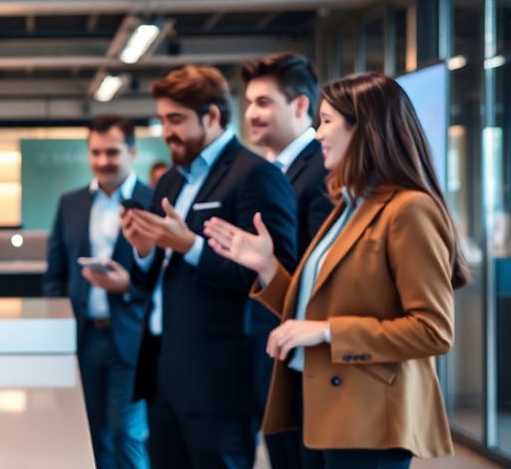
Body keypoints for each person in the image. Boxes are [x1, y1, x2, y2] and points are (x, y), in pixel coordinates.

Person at [203, 73, 467, 469]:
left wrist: (327, 332)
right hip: (320, 406)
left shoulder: (409, 209)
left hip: (368, 418)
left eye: (326, 120)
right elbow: (313, 308)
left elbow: (432, 330)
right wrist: (267, 266)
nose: (318, 132)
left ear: (364, 129)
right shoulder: (347, 206)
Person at [121, 65, 298, 468]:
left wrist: (191, 246)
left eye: (177, 120)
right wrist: (144, 250)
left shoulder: (256, 177)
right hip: (165, 375)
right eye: (163, 119)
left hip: (221, 382)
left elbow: (273, 279)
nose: (166, 131)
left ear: (213, 116)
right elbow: (153, 280)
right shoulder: (170, 183)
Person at [44, 114, 154, 469]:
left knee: (127, 433)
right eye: (96, 153)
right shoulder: (71, 203)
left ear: (132, 152)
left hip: (132, 334)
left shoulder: (151, 202)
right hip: (84, 336)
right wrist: (58, 323)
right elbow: (55, 272)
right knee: (92, 433)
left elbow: (165, 275)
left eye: (112, 152)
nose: (104, 161)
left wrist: (130, 286)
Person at [242, 52, 333, 469]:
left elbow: (323, 277)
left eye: (263, 102)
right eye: (248, 103)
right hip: (278, 358)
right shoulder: (274, 171)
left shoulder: (323, 170)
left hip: (311, 364)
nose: (251, 114)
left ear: (300, 106)